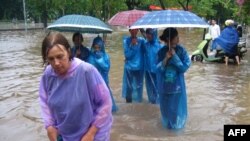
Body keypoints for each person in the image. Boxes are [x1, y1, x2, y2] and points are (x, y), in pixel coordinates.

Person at [39, 33, 113, 141]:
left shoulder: (87, 71)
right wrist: (49, 126)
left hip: (90, 134)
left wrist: (91, 133)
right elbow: (44, 102)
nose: (56, 63)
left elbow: (106, 103)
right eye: (51, 59)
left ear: (68, 52)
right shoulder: (48, 75)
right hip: (63, 133)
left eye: (60, 57)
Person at [157, 28, 191, 129]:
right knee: (165, 113)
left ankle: (173, 134)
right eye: (176, 38)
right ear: (169, 39)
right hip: (164, 87)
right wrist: (166, 58)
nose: (178, 39)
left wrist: (175, 56)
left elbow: (184, 68)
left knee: (174, 113)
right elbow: (157, 69)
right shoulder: (161, 52)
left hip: (177, 88)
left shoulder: (181, 51)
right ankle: (169, 133)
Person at [88, 36, 118, 112]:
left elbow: (107, 68)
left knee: (105, 102)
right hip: (93, 83)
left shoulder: (105, 56)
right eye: (95, 48)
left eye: (99, 48)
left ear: (101, 47)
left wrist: (99, 60)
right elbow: (88, 69)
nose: (97, 50)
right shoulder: (91, 56)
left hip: (104, 82)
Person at [122, 28, 145, 103]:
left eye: (136, 29)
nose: (134, 31)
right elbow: (127, 55)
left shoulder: (141, 41)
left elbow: (148, 46)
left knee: (139, 87)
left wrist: (143, 32)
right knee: (129, 87)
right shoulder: (126, 41)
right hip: (129, 67)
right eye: (132, 29)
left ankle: (137, 105)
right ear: (129, 30)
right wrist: (132, 45)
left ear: (138, 30)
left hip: (139, 67)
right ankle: (128, 103)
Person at [143, 28, 162, 104]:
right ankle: (152, 104)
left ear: (154, 34)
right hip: (148, 71)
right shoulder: (145, 44)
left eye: (150, 33)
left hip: (157, 71)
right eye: (147, 33)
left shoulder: (159, 46)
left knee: (157, 89)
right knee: (149, 89)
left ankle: (158, 105)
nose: (148, 35)